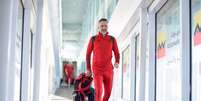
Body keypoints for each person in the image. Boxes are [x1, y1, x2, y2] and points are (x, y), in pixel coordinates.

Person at [86, 18, 120, 101]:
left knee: (108, 93)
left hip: (108, 70)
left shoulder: (112, 39)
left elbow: (117, 53)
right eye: (102, 26)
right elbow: (88, 54)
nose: (104, 27)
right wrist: (88, 69)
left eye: (105, 26)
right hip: (97, 69)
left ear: (107, 26)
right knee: (99, 91)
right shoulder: (93, 39)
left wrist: (117, 61)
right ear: (98, 27)